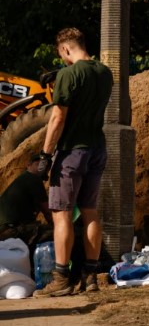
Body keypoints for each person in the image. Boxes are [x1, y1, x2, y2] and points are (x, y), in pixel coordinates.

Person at [33, 28, 113, 297]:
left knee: (62, 214)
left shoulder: (68, 75)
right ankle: (91, 276)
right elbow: (87, 95)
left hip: (71, 152)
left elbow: (58, 118)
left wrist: (45, 154)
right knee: (90, 211)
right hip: (97, 149)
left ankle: (60, 279)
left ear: (65, 49)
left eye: (61, 54)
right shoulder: (105, 73)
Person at [0, 155, 53, 252]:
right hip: (10, 231)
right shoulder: (33, 179)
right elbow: (47, 212)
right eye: (38, 164)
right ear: (29, 165)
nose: (42, 168)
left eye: (45, 166)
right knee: (54, 235)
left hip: (7, 229)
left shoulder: (24, 178)